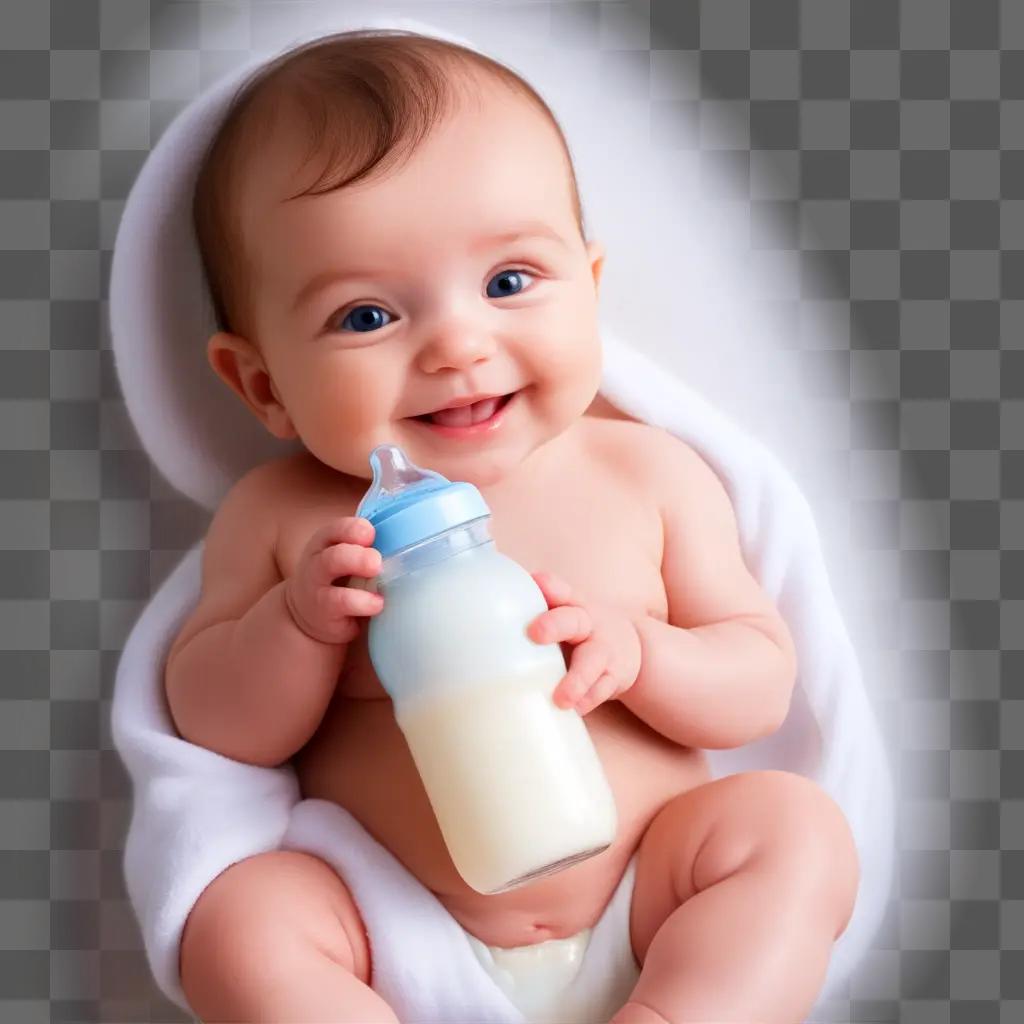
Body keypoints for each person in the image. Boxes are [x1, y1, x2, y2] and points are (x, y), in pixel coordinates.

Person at [164, 28, 859, 1024]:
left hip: (647, 903)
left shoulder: (643, 474)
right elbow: (213, 721)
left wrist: (641, 653)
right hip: (397, 927)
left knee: (791, 829)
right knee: (242, 920)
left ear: (590, 284)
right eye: (366, 316)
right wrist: (294, 626)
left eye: (507, 283)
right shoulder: (286, 520)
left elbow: (757, 682)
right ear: (263, 384)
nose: (457, 344)